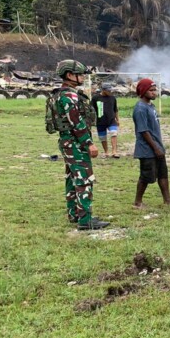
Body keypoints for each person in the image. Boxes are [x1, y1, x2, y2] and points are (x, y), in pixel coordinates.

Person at [52, 60, 109, 230]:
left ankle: (74, 214)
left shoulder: (60, 94)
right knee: (84, 179)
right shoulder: (69, 96)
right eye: (80, 74)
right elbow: (76, 122)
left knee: (72, 178)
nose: (83, 77)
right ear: (70, 75)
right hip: (76, 143)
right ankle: (85, 220)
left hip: (67, 142)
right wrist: (89, 144)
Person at [132, 78, 170, 208]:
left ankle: (167, 199)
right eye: (151, 90)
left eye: (155, 90)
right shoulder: (140, 108)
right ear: (143, 91)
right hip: (147, 149)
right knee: (146, 176)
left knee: (162, 174)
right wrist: (155, 148)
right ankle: (138, 202)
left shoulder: (150, 106)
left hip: (157, 147)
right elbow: (144, 131)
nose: (155, 92)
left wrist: (159, 147)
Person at [92, 83, 120, 158]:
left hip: (111, 120)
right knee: (102, 137)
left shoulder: (113, 98)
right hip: (100, 121)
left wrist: (117, 119)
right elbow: (92, 110)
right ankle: (106, 152)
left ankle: (114, 152)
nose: (110, 92)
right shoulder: (95, 98)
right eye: (108, 91)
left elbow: (115, 109)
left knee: (114, 134)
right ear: (103, 90)